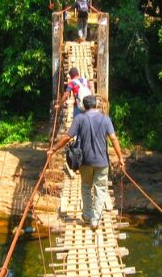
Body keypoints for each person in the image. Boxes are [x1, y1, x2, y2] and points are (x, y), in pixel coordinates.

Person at [47, 95, 125, 229]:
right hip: (102, 162)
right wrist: (120, 158)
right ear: (96, 105)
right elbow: (114, 139)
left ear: (83, 106)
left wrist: (53, 149)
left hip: (85, 161)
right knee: (100, 189)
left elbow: (67, 137)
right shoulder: (106, 119)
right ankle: (95, 219)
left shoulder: (79, 118)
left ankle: (88, 214)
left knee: (86, 187)